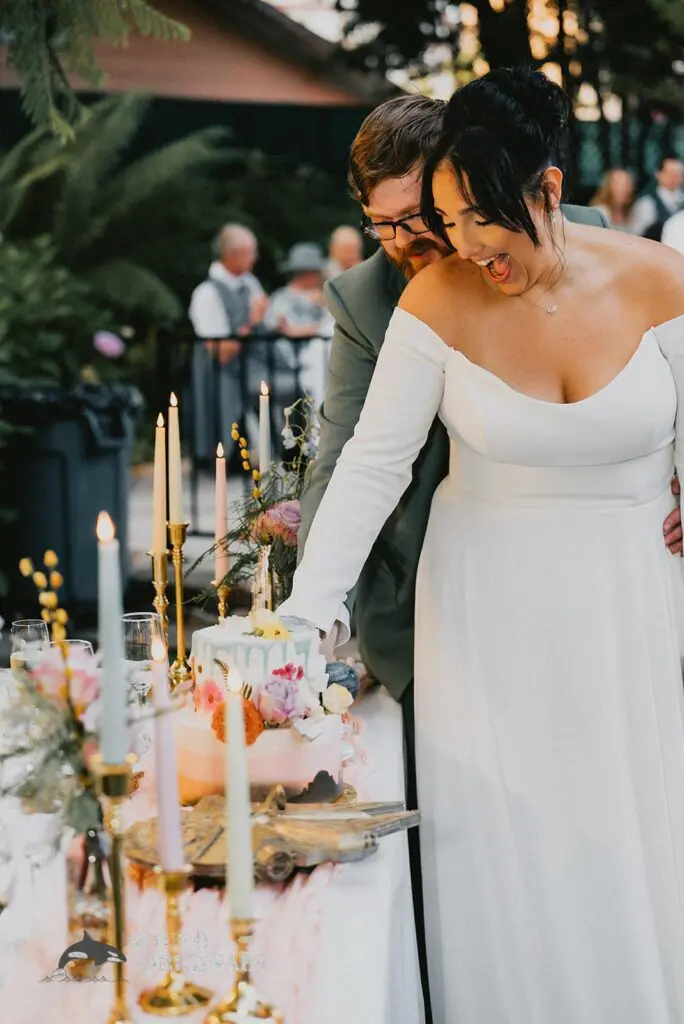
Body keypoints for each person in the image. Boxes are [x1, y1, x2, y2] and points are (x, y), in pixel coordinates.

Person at [280, 67, 684, 1022]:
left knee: (630, 831)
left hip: (630, 604)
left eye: (477, 219)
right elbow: (369, 467)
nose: (462, 245)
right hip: (485, 617)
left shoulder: (661, 278)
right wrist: (301, 617)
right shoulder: (435, 300)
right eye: (448, 219)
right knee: (514, 856)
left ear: (548, 189)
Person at [188, 223, 267, 461]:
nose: (255, 258)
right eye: (250, 252)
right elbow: (220, 352)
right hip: (223, 375)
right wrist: (252, 322)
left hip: (254, 368)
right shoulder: (206, 293)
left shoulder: (250, 283)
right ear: (231, 254)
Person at [262, 242, 333, 438]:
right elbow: (286, 330)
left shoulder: (324, 296)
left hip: (323, 358)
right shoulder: (281, 299)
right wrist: (316, 329)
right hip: (291, 361)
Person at [631, 153, 684, 239]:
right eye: (669, 173)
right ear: (658, 174)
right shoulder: (647, 203)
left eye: (678, 173)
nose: (674, 177)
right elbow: (640, 236)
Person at [589, 167, 636, 231]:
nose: (624, 189)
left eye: (627, 185)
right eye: (618, 184)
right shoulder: (600, 213)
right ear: (608, 187)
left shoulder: (629, 214)